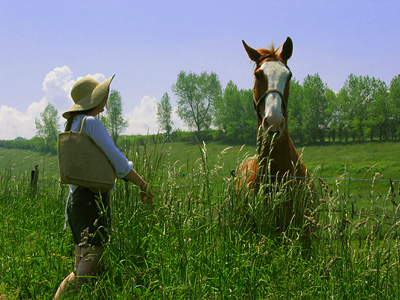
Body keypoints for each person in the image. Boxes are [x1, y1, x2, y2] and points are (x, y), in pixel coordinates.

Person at [54, 74, 153, 299]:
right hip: (90, 202)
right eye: (102, 95)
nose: (106, 99)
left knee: (81, 265)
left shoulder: (74, 123)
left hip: (75, 202)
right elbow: (117, 161)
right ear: (94, 99)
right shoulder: (90, 123)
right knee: (86, 270)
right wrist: (142, 184)